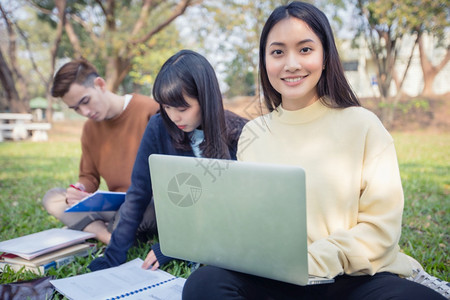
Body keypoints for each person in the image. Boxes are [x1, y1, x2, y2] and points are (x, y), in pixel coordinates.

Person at [182, 2, 446, 299]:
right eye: (278, 52)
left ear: (324, 57)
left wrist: (312, 262)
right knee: (205, 284)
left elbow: (380, 231)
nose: (291, 64)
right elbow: (251, 223)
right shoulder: (253, 134)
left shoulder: (362, 124)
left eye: (305, 49)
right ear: (264, 61)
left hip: (353, 279)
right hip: (278, 278)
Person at [88, 50, 248, 271]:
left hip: (221, 228)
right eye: (166, 107)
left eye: (182, 108)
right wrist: (112, 258)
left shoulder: (240, 131)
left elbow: (237, 210)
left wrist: (172, 246)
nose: (174, 117)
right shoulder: (158, 126)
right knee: (124, 221)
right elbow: (139, 192)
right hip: (173, 216)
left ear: (205, 99)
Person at [42, 59, 160, 244]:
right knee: (53, 197)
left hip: (148, 204)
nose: (85, 112)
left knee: (141, 210)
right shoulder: (90, 129)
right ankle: (107, 236)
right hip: (116, 206)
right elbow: (89, 177)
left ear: (100, 84)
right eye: (76, 108)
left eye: (85, 101)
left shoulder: (150, 111)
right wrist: (79, 189)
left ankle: (93, 227)